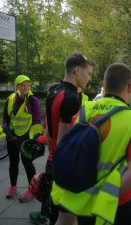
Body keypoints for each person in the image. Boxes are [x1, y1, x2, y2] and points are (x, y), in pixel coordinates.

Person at [52, 63, 131, 225]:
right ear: (129, 87)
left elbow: (65, 145)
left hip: (84, 202)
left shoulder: (83, 111)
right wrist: (106, 197)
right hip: (122, 205)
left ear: (104, 86)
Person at [29, 52, 95, 225]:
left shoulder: (55, 91)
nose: (89, 78)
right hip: (64, 164)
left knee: (56, 213)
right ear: (76, 70)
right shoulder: (71, 98)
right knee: (63, 216)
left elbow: (50, 130)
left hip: (53, 160)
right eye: (88, 73)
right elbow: (64, 141)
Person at [2, 75, 41, 202]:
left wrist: (32, 138)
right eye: (23, 85)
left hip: (26, 138)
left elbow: (37, 120)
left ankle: (32, 189)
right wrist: (7, 132)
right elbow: (6, 118)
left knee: (27, 164)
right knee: (13, 163)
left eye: (28, 85)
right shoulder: (10, 99)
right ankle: (13, 186)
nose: (26, 88)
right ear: (17, 86)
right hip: (12, 137)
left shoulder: (32, 100)